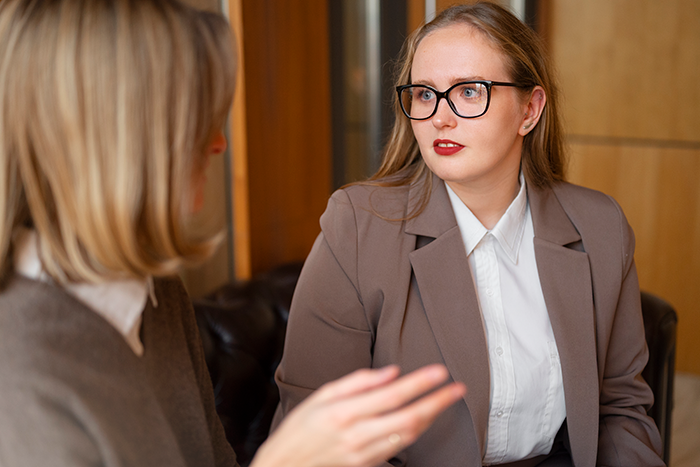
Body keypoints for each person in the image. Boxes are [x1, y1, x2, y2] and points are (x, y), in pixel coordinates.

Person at [0, 1, 466, 466]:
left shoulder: (156, 295)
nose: (219, 143)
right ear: (115, 136)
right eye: (196, 117)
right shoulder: (17, 376)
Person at [273, 2, 665, 466]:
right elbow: (315, 431)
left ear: (530, 109)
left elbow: (620, 409)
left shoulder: (600, 226)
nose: (440, 117)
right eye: (424, 94)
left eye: (469, 91)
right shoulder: (358, 226)